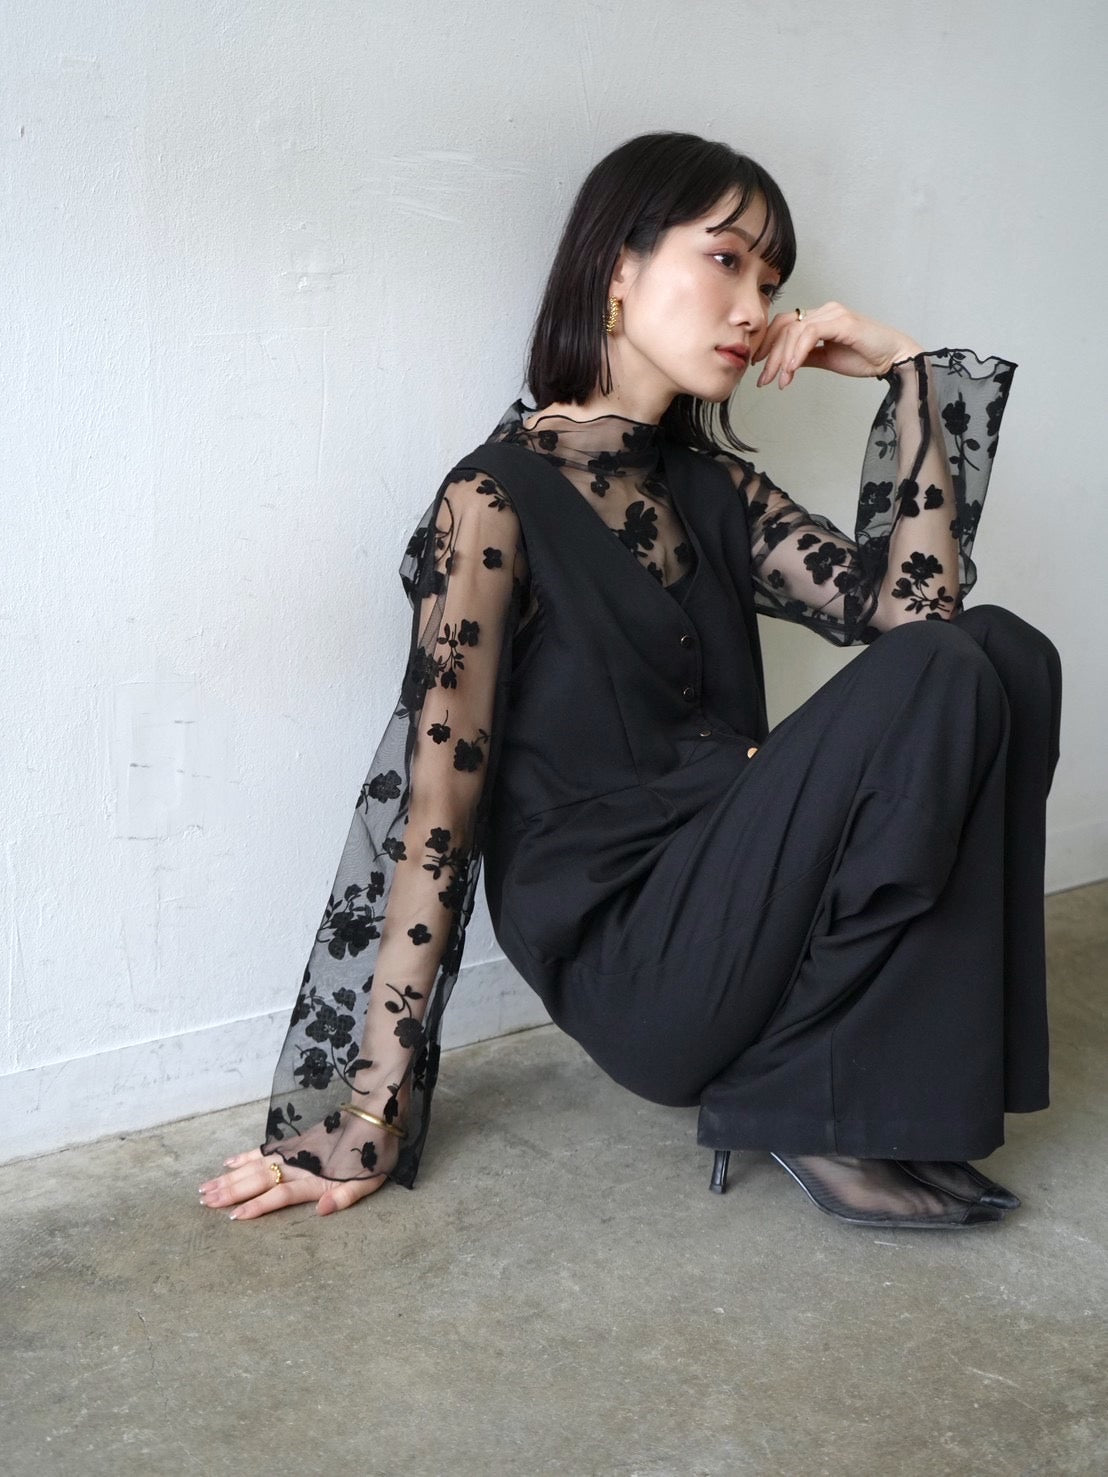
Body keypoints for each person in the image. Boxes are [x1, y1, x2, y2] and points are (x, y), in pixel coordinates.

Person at [199, 132, 1061, 1230]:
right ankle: (803, 1100)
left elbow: (915, 617)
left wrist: (911, 372)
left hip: (745, 907)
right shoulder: (491, 501)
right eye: (726, 260)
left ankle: (847, 1089)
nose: (753, 308)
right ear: (617, 271)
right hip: (637, 956)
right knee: (948, 664)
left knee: (1002, 652)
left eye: (770, 282)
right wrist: (369, 1110)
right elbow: (435, 810)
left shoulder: (713, 489)